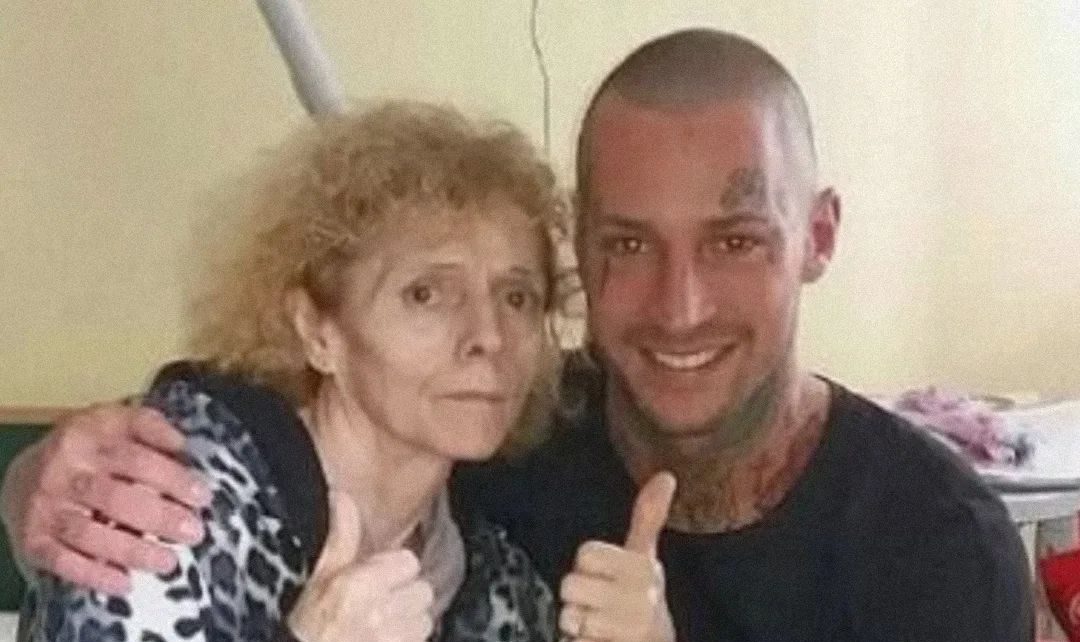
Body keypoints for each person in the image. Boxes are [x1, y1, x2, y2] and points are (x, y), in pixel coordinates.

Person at [2, 29, 1033, 641]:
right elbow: (237, 432)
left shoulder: (939, 550)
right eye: (628, 244)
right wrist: (38, 477)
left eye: (733, 241)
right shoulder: (500, 445)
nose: (679, 306)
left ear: (818, 238)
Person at [9, 101, 589, 642]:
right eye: (426, 294)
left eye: (517, 297)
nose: (489, 336)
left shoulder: (501, 579)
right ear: (316, 330)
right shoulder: (165, 501)